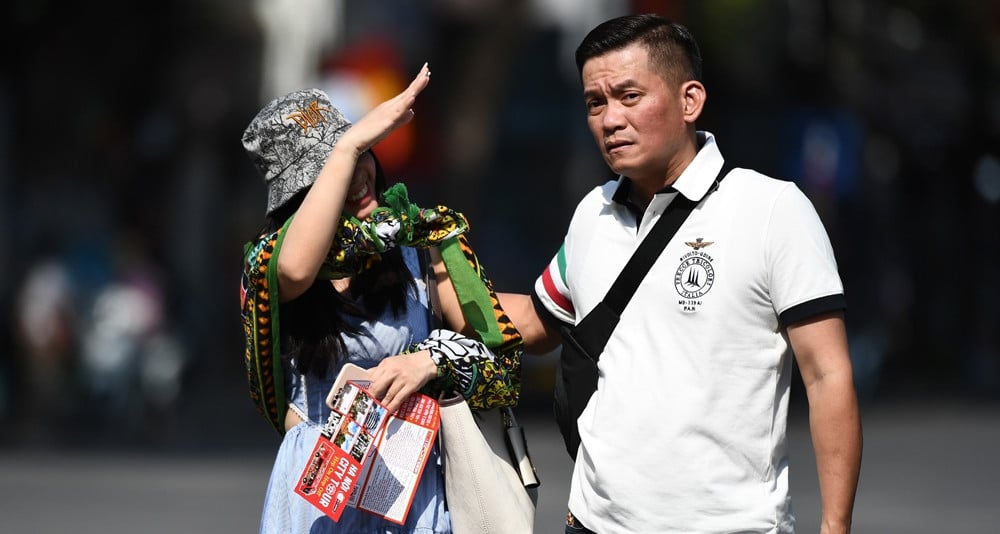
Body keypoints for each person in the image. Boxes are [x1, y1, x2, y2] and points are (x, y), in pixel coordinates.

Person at [499, 14, 863, 534]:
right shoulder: (593, 213)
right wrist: (425, 276)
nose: (609, 119)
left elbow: (828, 375)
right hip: (595, 523)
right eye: (595, 102)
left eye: (629, 96)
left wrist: (835, 526)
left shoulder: (772, 209)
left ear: (690, 100)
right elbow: (536, 322)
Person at [239, 64, 524, 533]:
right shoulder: (266, 263)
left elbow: (497, 347)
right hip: (320, 497)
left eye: (363, 154)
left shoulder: (418, 237)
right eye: (331, 169)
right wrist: (348, 144)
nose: (356, 176)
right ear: (297, 198)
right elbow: (297, 268)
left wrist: (431, 361)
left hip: (410, 489)